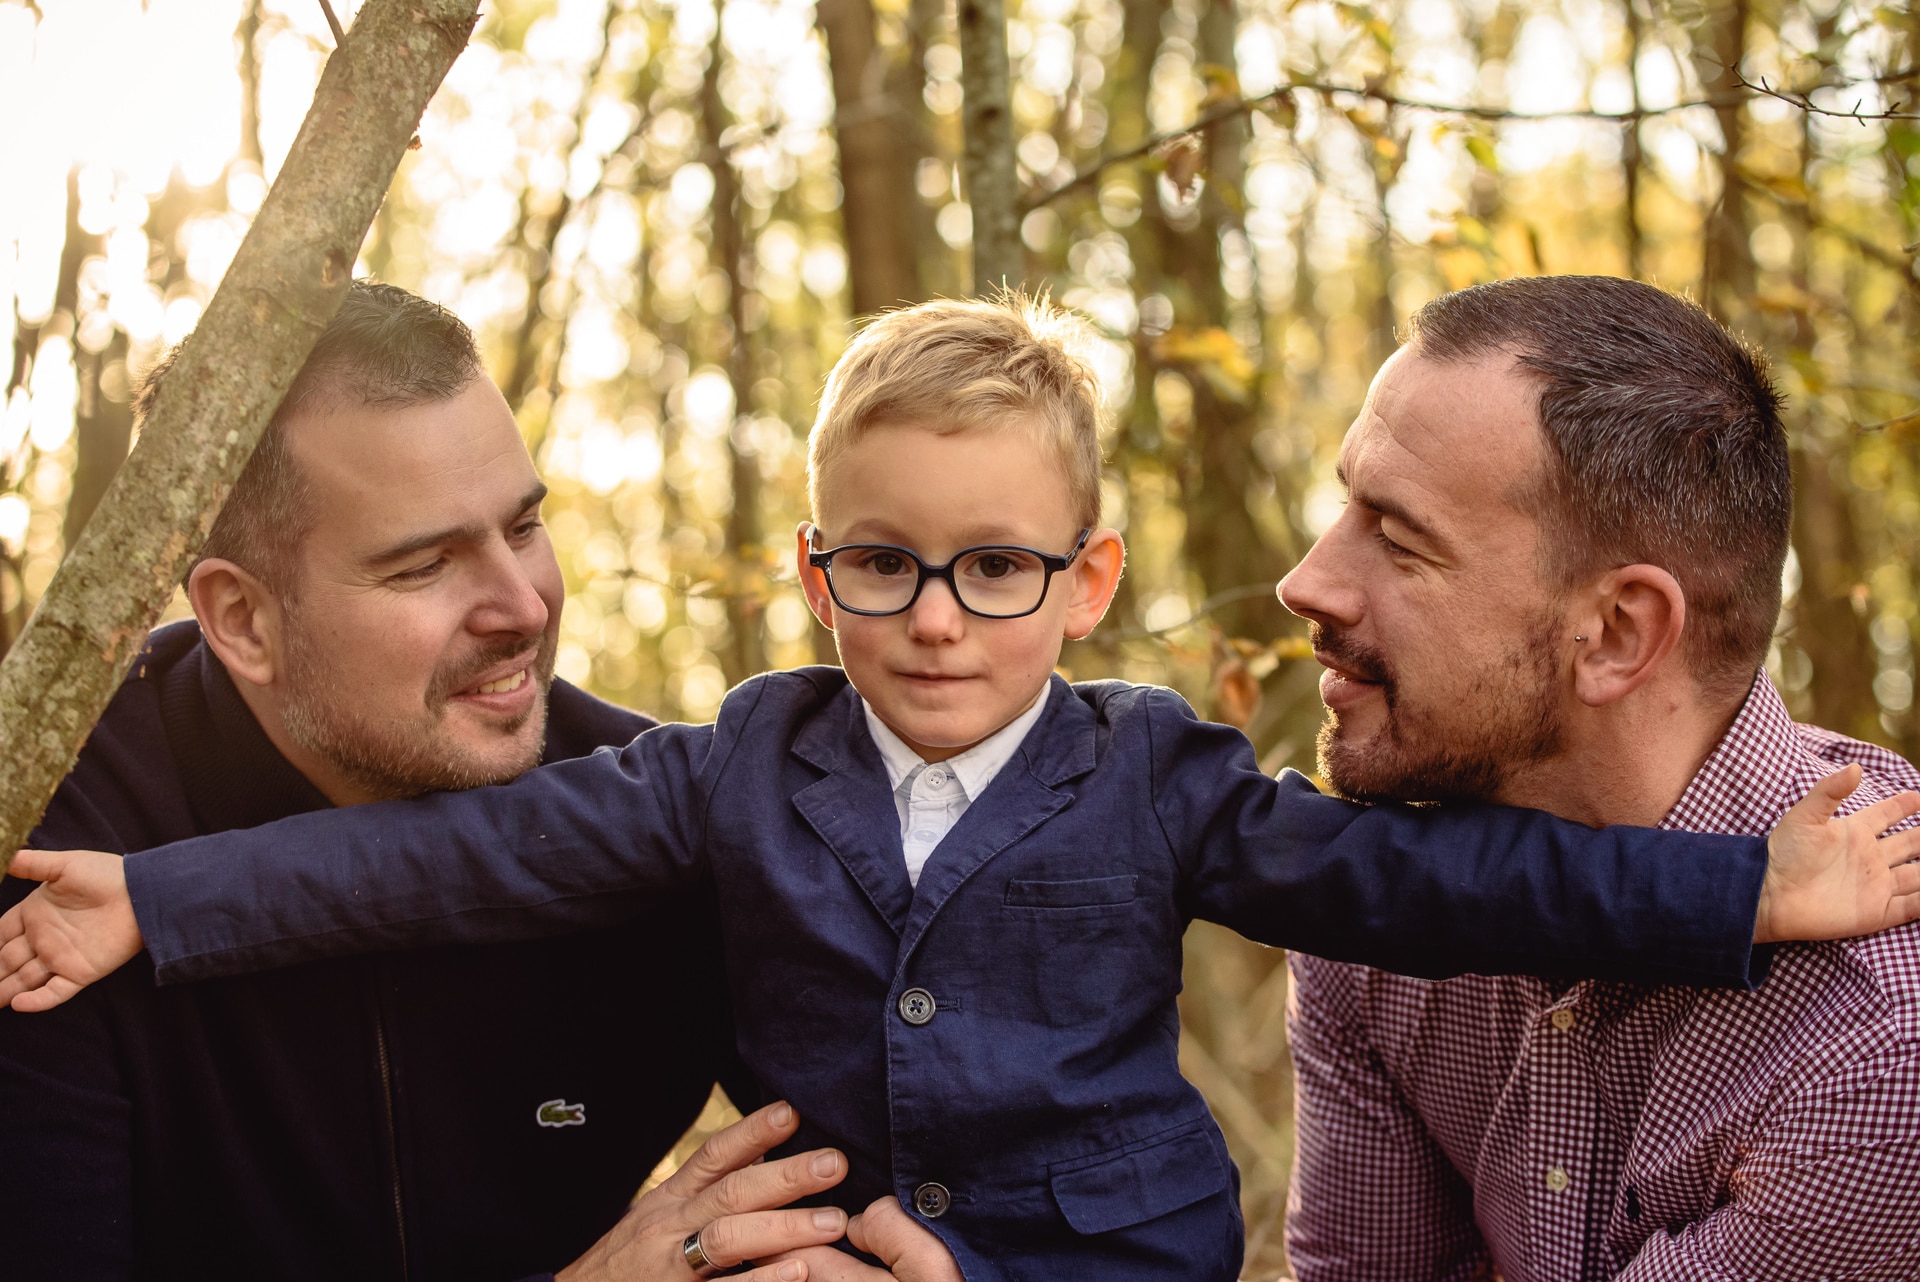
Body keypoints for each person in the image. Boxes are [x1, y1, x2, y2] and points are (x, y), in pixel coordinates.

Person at [6, 293, 1919, 1282]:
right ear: (815, 569)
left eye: (997, 565)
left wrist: (1753, 895)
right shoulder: (720, 779)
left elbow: (1449, 893)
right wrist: (150, 904)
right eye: (883, 563)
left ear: (1082, 581)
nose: (1302, 581)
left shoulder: (1874, 1054)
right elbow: (441, 865)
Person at [0, 282, 872, 1282]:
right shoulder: (54, 867)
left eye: (524, 527)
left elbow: (925, 1168)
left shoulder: (660, 830)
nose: (523, 608)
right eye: (424, 566)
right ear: (242, 619)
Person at [1282, 276, 1920, 1282]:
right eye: (1344, 506)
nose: (1306, 583)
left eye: (1399, 540)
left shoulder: (1878, 1044)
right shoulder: (1374, 902)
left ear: (1618, 633)